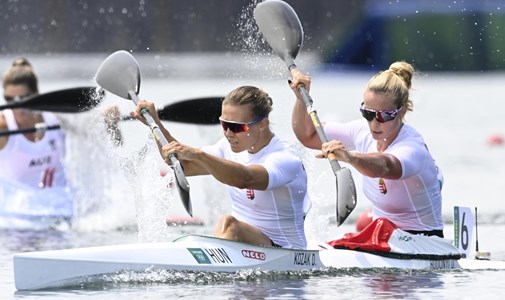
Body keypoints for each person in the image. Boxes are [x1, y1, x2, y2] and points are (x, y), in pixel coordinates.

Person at [131, 86, 310, 249]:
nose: (229, 134)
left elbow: (245, 178)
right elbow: (182, 165)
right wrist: (154, 123)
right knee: (229, 226)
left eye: (236, 127)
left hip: (286, 251)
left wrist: (198, 154)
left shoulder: (285, 157)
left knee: (229, 224)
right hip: (245, 247)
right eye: (224, 124)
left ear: (262, 124)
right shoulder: (226, 147)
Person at [289, 61, 444, 238]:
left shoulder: (412, 147)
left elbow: (386, 166)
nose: (374, 123)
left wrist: (350, 157)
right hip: (384, 236)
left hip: (425, 240)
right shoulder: (362, 130)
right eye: (368, 114)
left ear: (401, 111)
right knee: (362, 224)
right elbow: (307, 134)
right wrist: (301, 98)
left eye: (384, 115)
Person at [0, 57, 121, 228]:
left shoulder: (56, 117)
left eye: (23, 98)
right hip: (16, 220)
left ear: (37, 96)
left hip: (61, 213)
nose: (16, 106)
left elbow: (100, 135)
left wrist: (106, 121)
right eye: (9, 99)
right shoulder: (4, 126)